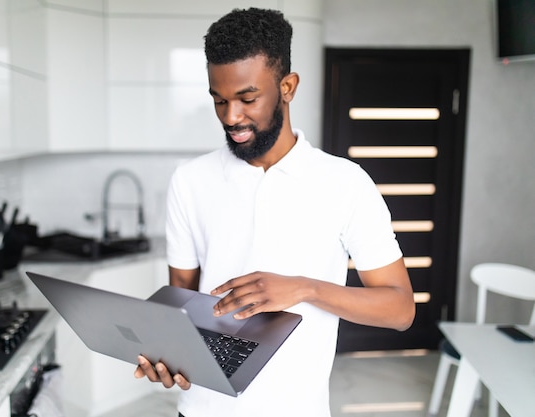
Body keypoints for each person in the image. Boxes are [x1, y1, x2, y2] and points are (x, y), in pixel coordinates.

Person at [134, 7, 415, 417]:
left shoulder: (345, 183)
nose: (232, 117)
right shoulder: (190, 180)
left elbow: (400, 309)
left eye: (248, 99)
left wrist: (306, 288)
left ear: (287, 86)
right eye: (219, 101)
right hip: (201, 409)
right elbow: (181, 302)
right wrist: (164, 353)